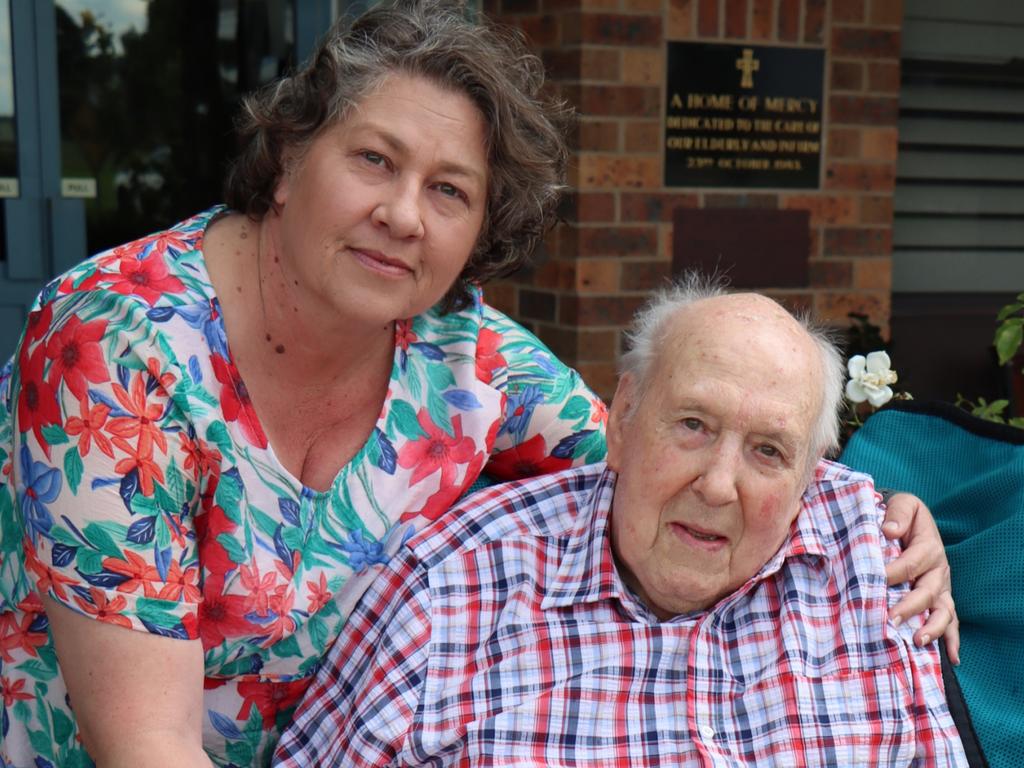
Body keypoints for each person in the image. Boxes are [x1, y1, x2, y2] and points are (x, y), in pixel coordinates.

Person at [0, 2, 952, 766]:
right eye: (375, 159)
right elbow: (143, 745)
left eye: (450, 189)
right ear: (288, 161)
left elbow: (671, 457)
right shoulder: (115, 347)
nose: (403, 215)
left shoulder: (467, 359)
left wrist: (887, 526)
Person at [274, 278, 968, 767]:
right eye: (693, 425)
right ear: (624, 418)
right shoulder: (452, 586)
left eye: (768, 451)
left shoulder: (876, 560)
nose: (719, 485)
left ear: (810, 475)